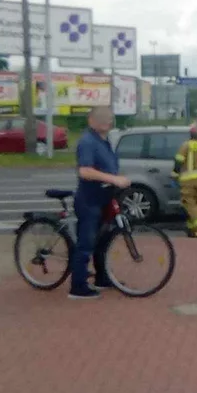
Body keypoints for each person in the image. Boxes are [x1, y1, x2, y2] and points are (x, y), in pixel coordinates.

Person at [70, 106, 131, 300]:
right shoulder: (88, 142)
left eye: (110, 118)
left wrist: (115, 178)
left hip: (104, 198)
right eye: (103, 118)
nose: (108, 121)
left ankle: (102, 278)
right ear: (91, 121)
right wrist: (113, 179)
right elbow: (85, 171)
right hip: (90, 200)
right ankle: (78, 287)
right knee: (86, 243)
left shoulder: (104, 141)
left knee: (103, 241)